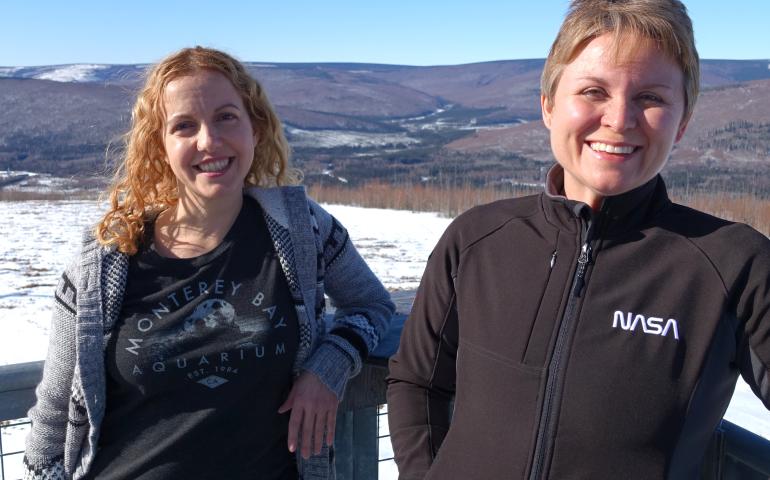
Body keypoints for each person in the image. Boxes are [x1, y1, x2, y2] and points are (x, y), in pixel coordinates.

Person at [386, 0, 770, 478]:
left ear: (683, 121)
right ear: (547, 106)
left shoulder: (733, 265)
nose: (619, 119)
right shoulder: (477, 239)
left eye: (650, 98)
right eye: (593, 91)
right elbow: (417, 382)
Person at [22, 46, 394, 480]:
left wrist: (327, 368)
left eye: (226, 117)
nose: (209, 141)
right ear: (160, 145)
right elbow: (52, 413)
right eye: (184, 126)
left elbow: (372, 306)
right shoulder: (103, 264)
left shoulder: (301, 230)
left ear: (256, 128)